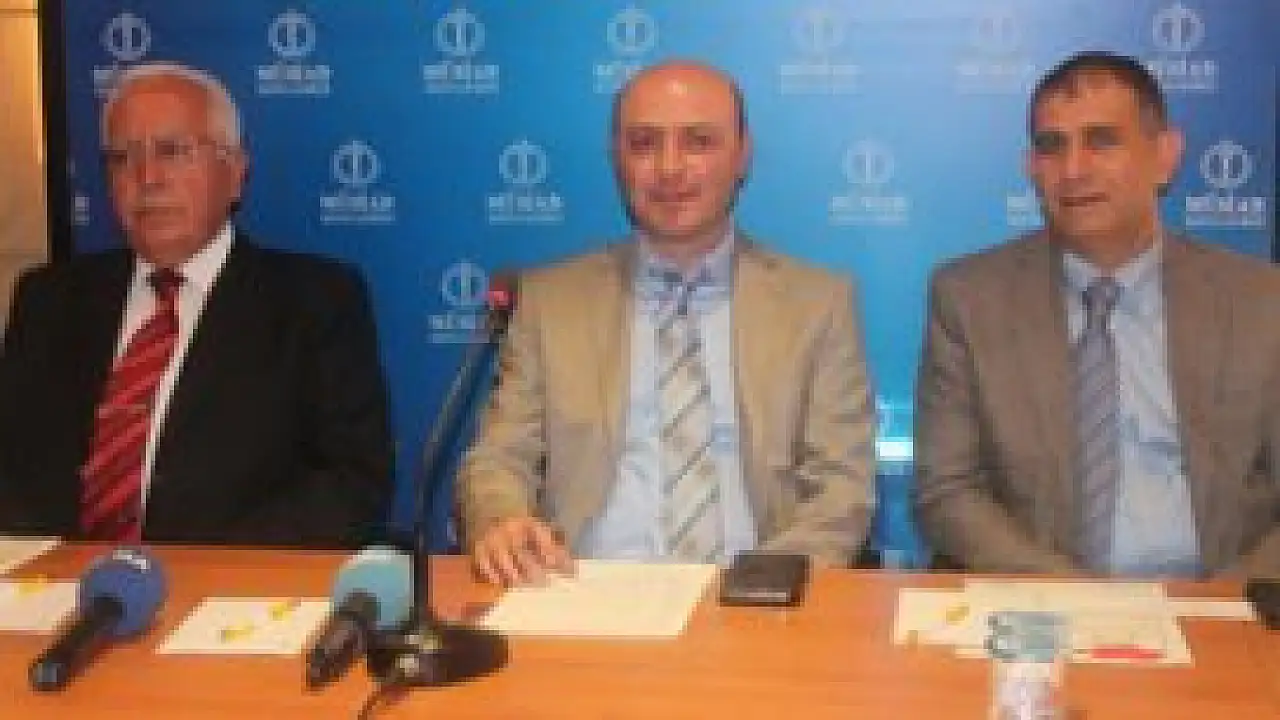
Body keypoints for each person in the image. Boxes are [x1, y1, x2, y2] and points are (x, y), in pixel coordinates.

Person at [459, 60, 875, 586]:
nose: (670, 168)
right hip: (580, 590)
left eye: (698, 142)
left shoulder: (818, 304)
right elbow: (499, 458)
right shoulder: (549, 302)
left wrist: (756, 588)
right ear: (617, 159)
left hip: (756, 598)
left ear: (742, 155)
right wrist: (501, 521)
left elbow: (840, 492)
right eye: (644, 144)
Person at [915, 51, 1280, 577]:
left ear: (1165, 156)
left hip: (1215, 599)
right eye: (1052, 146)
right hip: (1040, 597)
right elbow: (947, 491)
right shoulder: (970, 299)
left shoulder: (1260, 302)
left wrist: (1221, 604)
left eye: (1102, 141)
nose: (1074, 170)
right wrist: (1079, 599)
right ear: (1032, 168)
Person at [0, 62, 393, 547]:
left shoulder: (315, 302)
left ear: (236, 173)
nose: (147, 177)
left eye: (172, 151)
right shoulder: (49, 300)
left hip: (228, 583)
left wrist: (193, 568)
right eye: (123, 157)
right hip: (56, 582)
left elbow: (353, 487)